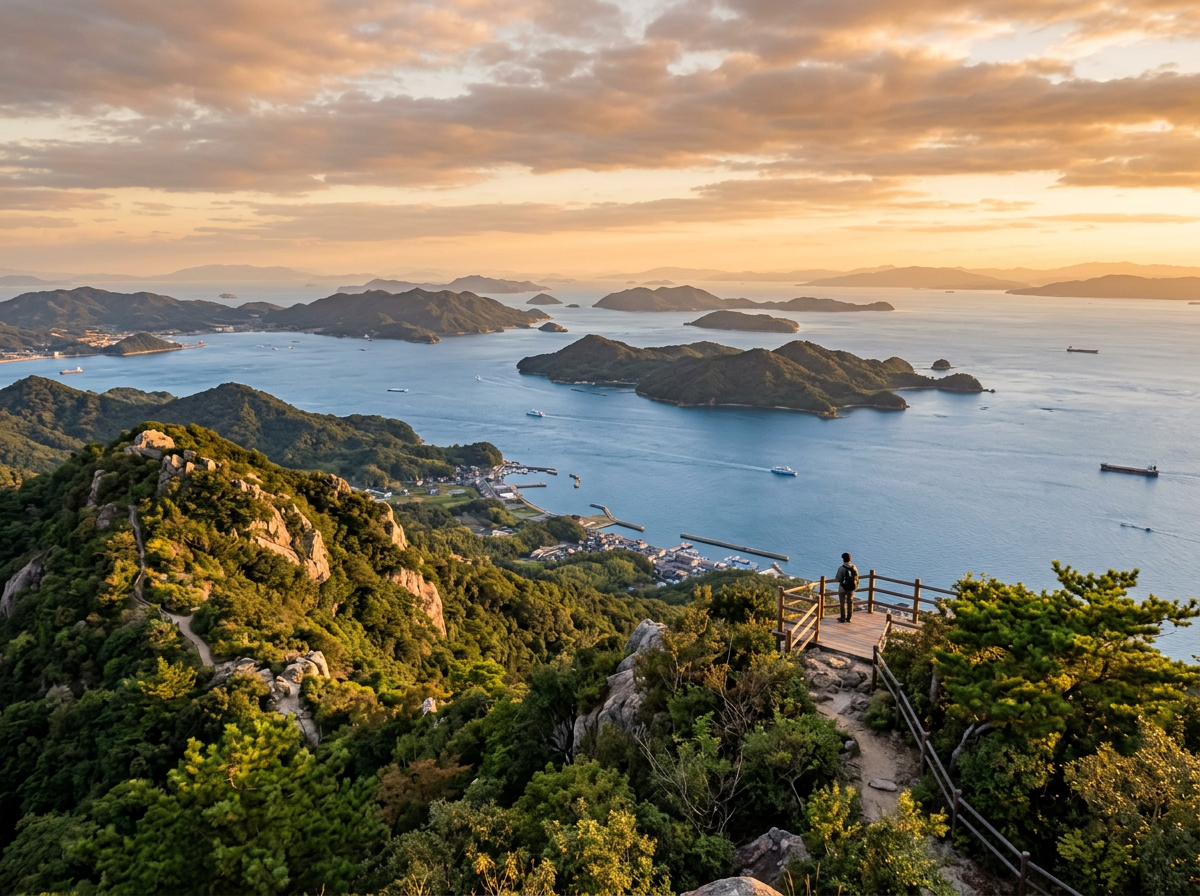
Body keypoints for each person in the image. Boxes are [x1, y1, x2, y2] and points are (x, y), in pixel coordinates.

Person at [834, 552, 859, 623]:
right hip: (851, 588)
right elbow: (857, 578)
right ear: (850, 559)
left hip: (843, 588)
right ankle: (849, 618)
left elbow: (838, 578)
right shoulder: (854, 567)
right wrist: (856, 586)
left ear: (843, 559)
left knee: (842, 603)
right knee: (850, 602)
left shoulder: (841, 568)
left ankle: (842, 618)